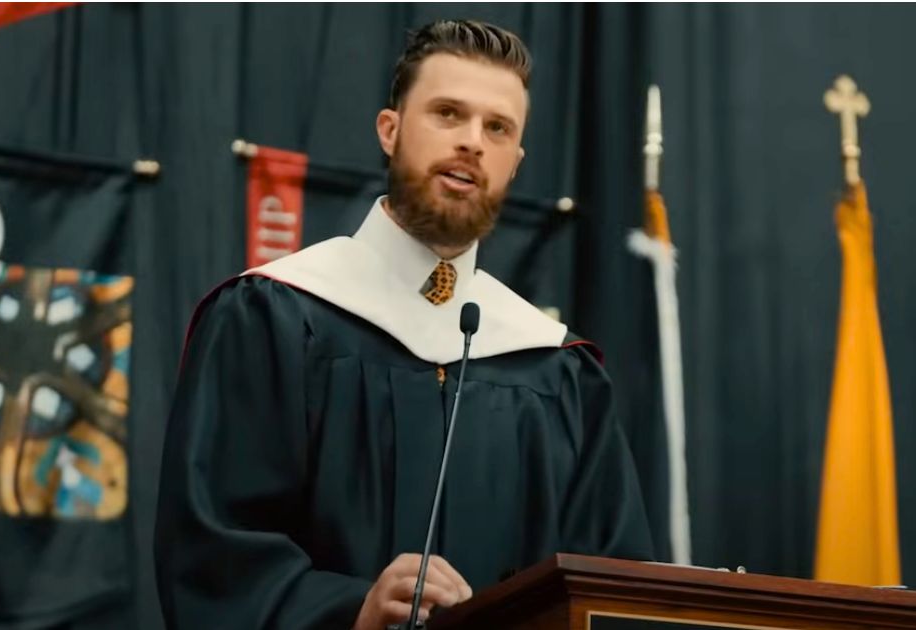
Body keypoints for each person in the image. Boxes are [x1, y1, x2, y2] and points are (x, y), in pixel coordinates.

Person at [154, 19, 654, 630]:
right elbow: (213, 554)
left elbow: (608, 591)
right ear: (389, 131)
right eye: (447, 113)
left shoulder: (555, 369)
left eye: (497, 128)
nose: (472, 142)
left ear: (515, 162)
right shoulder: (275, 315)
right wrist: (351, 610)